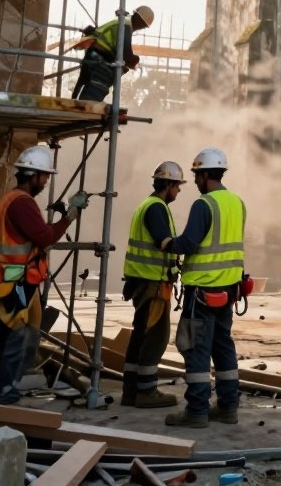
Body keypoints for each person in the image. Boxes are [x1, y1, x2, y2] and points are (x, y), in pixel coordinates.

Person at [0, 145, 89, 404]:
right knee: (13, 341)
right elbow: (44, 236)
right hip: (16, 284)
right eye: (45, 176)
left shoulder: (11, 199)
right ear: (34, 175)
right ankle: (3, 393)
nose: (46, 181)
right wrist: (70, 216)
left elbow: (35, 234)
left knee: (6, 340)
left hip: (11, 281)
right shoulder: (22, 203)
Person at [163, 147, 246, 429]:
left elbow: (188, 243)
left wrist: (166, 243)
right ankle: (228, 407)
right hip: (229, 289)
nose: (196, 181)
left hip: (201, 291)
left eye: (197, 175)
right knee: (223, 346)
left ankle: (197, 411)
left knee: (196, 348)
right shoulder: (237, 203)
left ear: (207, 174)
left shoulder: (204, 205)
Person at [120, 160, 185, 408]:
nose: (178, 190)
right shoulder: (156, 207)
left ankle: (131, 391)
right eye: (177, 186)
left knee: (140, 335)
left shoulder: (146, 205)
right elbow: (164, 242)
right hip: (152, 283)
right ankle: (146, 391)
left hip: (143, 280)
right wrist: (189, 245)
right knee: (155, 337)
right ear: (167, 185)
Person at [72, 4, 154, 102]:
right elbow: (127, 55)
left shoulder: (123, 23)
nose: (140, 28)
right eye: (142, 25)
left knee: (88, 88)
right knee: (95, 90)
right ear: (137, 18)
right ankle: (86, 105)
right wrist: (134, 61)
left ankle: (81, 104)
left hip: (95, 55)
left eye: (143, 27)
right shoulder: (125, 26)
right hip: (98, 58)